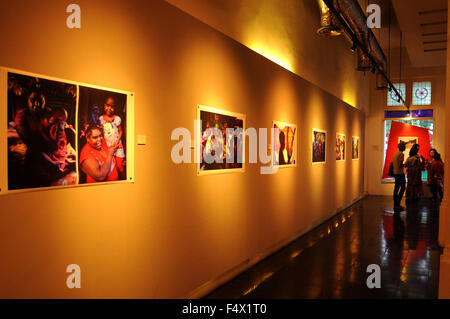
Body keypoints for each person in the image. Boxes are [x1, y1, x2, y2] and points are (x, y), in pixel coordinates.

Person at [99, 97, 125, 174]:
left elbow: (120, 131)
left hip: (117, 146)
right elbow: (102, 133)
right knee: (110, 166)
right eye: (108, 105)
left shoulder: (117, 119)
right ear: (104, 106)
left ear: (115, 108)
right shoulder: (101, 119)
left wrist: (117, 142)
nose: (109, 108)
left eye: (112, 106)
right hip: (107, 147)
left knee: (120, 166)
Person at [392, 141, 406, 210]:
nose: (405, 147)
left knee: (396, 189)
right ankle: (398, 203)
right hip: (400, 174)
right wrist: (405, 165)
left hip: (395, 173)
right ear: (403, 147)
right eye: (405, 146)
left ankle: (395, 205)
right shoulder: (401, 154)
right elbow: (400, 165)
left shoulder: (395, 153)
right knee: (403, 188)